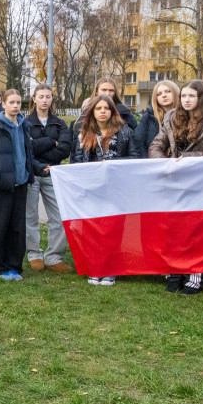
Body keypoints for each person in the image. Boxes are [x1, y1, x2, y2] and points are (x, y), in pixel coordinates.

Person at [149, 79, 203, 294]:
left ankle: (196, 275)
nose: (186, 100)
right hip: (176, 180)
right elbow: (157, 144)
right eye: (184, 96)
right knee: (173, 227)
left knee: (197, 230)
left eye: (191, 96)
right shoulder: (172, 117)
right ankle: (175, 271)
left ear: (201, 98)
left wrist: (185, 158)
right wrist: (165, 163)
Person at [0, 89, 47, 280]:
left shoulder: (24, 126)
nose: (16, 106)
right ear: (4, 104)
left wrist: (38, 168)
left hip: (21, 185)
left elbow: (26, 155)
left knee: (17, 228)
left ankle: (14, 265)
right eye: (12, 102)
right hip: (1, 187)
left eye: (18, 103)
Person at [71, 95, 142, 284]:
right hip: (92, 188)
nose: (102, 111)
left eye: (106, 108)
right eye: (98, 108)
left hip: (115, 188)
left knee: (113, 229)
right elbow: (77, 160)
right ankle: (96, 267)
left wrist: (112, 163)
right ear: (92, 112)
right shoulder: (83, 133)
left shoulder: (125, 132)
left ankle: (111, 268)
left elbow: (135, 158)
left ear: (112, 111)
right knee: (93, 228)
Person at [25, 84, 73, 273]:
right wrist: (49, 143)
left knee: (59, 216)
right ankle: (34, 254)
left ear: (52, 99)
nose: (44, 100)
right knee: (31, 215)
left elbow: (64, 148)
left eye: (48, 96)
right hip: (32, 172)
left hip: (54, 172)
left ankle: (54, 257)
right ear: (34, 99)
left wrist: (40, 147)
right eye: (41, 96)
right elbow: (27, 149)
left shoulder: (59, 124)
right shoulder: (25, 123)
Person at [136, 80, 181, 155]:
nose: (164, 95)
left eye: (168, 91)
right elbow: (138, 142)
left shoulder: (185, 115)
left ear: (176, 92)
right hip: (153, 162)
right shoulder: (148, 116)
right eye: (159, 94)